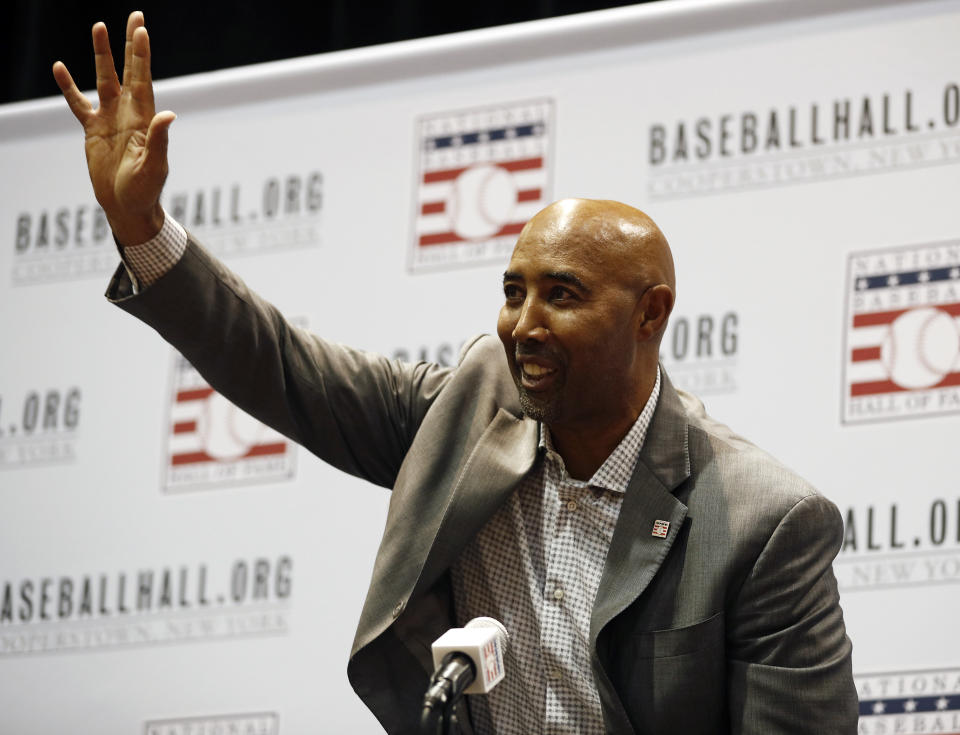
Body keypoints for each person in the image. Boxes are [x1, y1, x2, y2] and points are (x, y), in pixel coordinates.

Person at [54, 11, 858, 735]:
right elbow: (281, 364)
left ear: (651, 313)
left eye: (563, 295)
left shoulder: (763, 522)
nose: (524, 324)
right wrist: (143, 227)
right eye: (513, 292)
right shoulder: (468, 409)